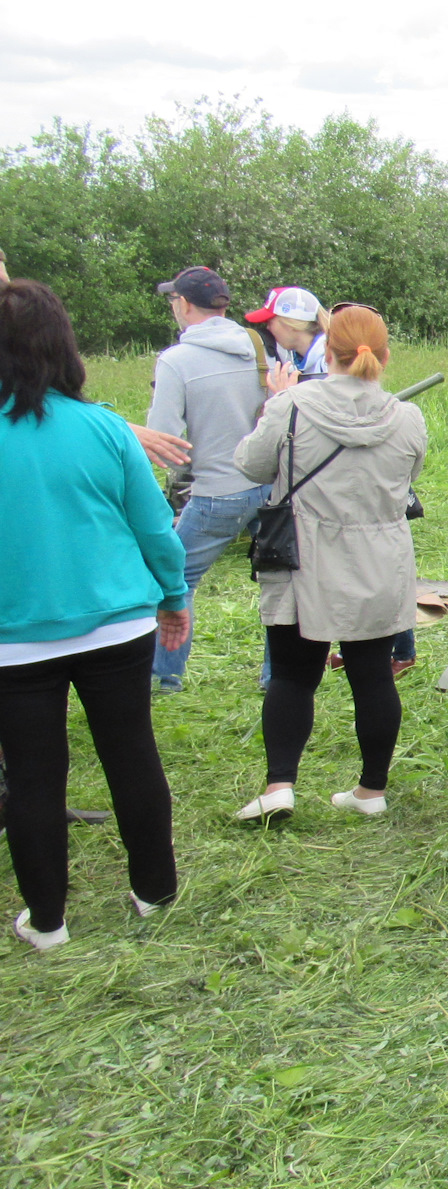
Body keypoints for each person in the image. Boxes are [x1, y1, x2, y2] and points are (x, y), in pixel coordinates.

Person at [0, 279, 188, 950]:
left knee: (33, 776)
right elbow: (156, 528)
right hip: (118, 624)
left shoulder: (102, 424)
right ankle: (154, 890)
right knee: (131, 752)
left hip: (15, 643)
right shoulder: (105, 427)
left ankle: (47, 922)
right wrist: (174, 597)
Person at [230, 304, 427, 823]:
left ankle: (279, 786)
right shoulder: (407, 417)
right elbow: (410, 476)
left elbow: (250, 464)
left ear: (328, 349)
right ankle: (371, 791)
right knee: (373, 677)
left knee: (293, 677)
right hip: (378, 561)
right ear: (384, 356)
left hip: (304, 558)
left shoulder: (290, 405)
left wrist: (273, 403)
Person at [142, 266, 272, 694]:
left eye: (173, 300)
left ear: (182, 304)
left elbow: (164, 438)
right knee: (280, 578)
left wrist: (178, 477)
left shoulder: (175, 360)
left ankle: (165, 675)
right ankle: (277, 676)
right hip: (268, 485)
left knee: (172, 581)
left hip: (216, 492)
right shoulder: (255, 345)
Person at [246, 286, 331, 380]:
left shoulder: (331, 362)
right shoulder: (297, 361)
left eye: (270, 322)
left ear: (291, 324)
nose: (268, 328)